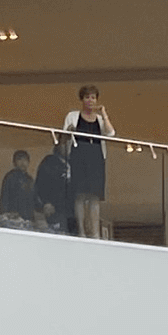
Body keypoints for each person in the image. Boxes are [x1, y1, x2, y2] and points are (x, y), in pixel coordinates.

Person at [62, 85, 114, 239]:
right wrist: (69, 131)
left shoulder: (99, 119)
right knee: (80, 195)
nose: (90, 100)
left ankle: (95, 232)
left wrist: (104, 114)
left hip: (96, 159)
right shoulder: (72, 116)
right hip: (79, 157)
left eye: (93, 97)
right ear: (82, 99)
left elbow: (111, 133)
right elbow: (63, 138)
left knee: (94, 197)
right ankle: (82, 231)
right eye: (87, 97)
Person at [34, 142, 71, 232]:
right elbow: (41, 182)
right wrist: (46, 202)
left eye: (69, 145)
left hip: (68, 211)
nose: (67, 147)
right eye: (64, 144)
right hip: (53, 209)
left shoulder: (73, 163)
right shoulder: (50, 161)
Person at [0, 148, 37, 226]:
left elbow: (33, 198)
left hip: (27, 217)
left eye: (25, 160)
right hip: (13, 216)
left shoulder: (29, 179)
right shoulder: (10, 176)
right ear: (14, 162)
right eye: (19, 159)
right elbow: (5, 195)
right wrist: (5, 213)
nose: (23, 163)